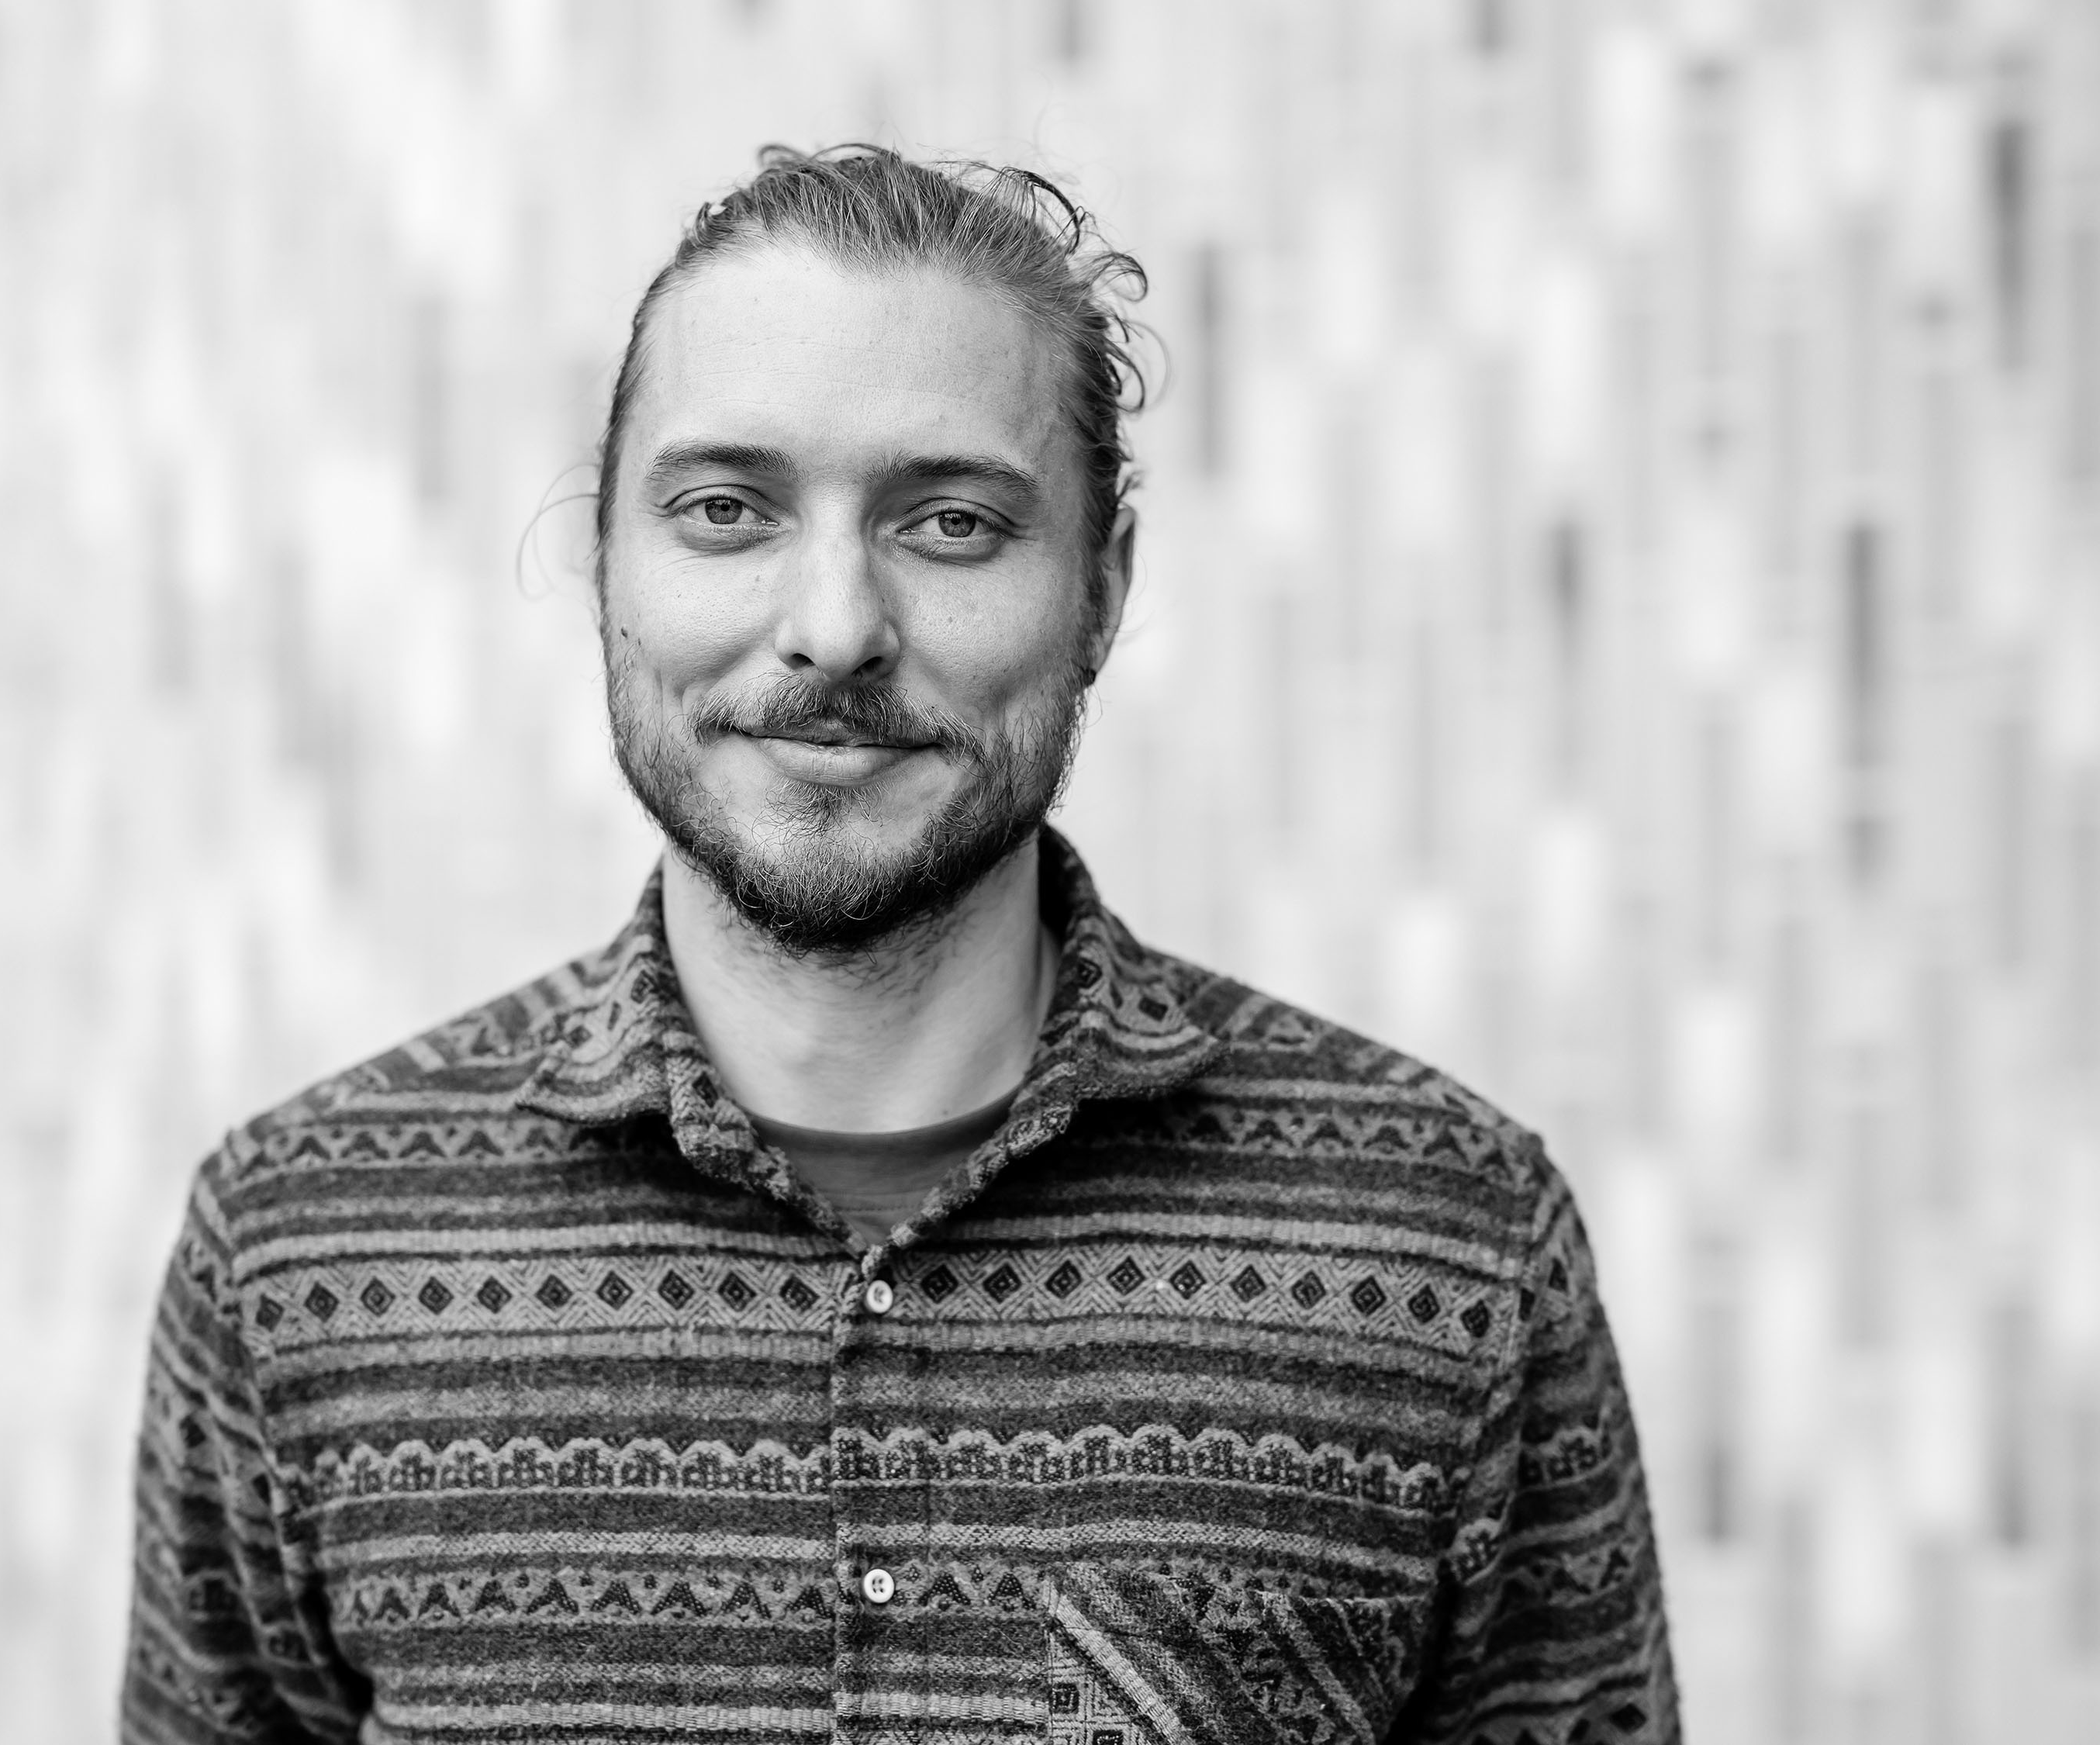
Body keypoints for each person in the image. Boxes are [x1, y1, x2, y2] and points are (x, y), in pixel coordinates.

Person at [122, 145, 1680, 1745]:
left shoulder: (1448, 1247)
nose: (835, 627)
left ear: (1102, 591)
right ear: (608, 567)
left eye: (950, 523)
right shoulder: (298, 1252)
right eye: (725, 510)